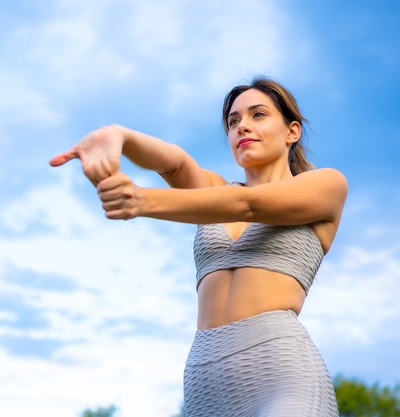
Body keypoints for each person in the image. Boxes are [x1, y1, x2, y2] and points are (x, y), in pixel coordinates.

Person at [49, 76, 348, 417]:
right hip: (204, 382)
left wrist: (142, 201)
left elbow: (248, 204)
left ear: (292, 131)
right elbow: (174, 163)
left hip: (281, 372)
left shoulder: (327, 185)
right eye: (233, 121)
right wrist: (119, 135)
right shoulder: (213, 191)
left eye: (258, 115)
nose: (242, 127)